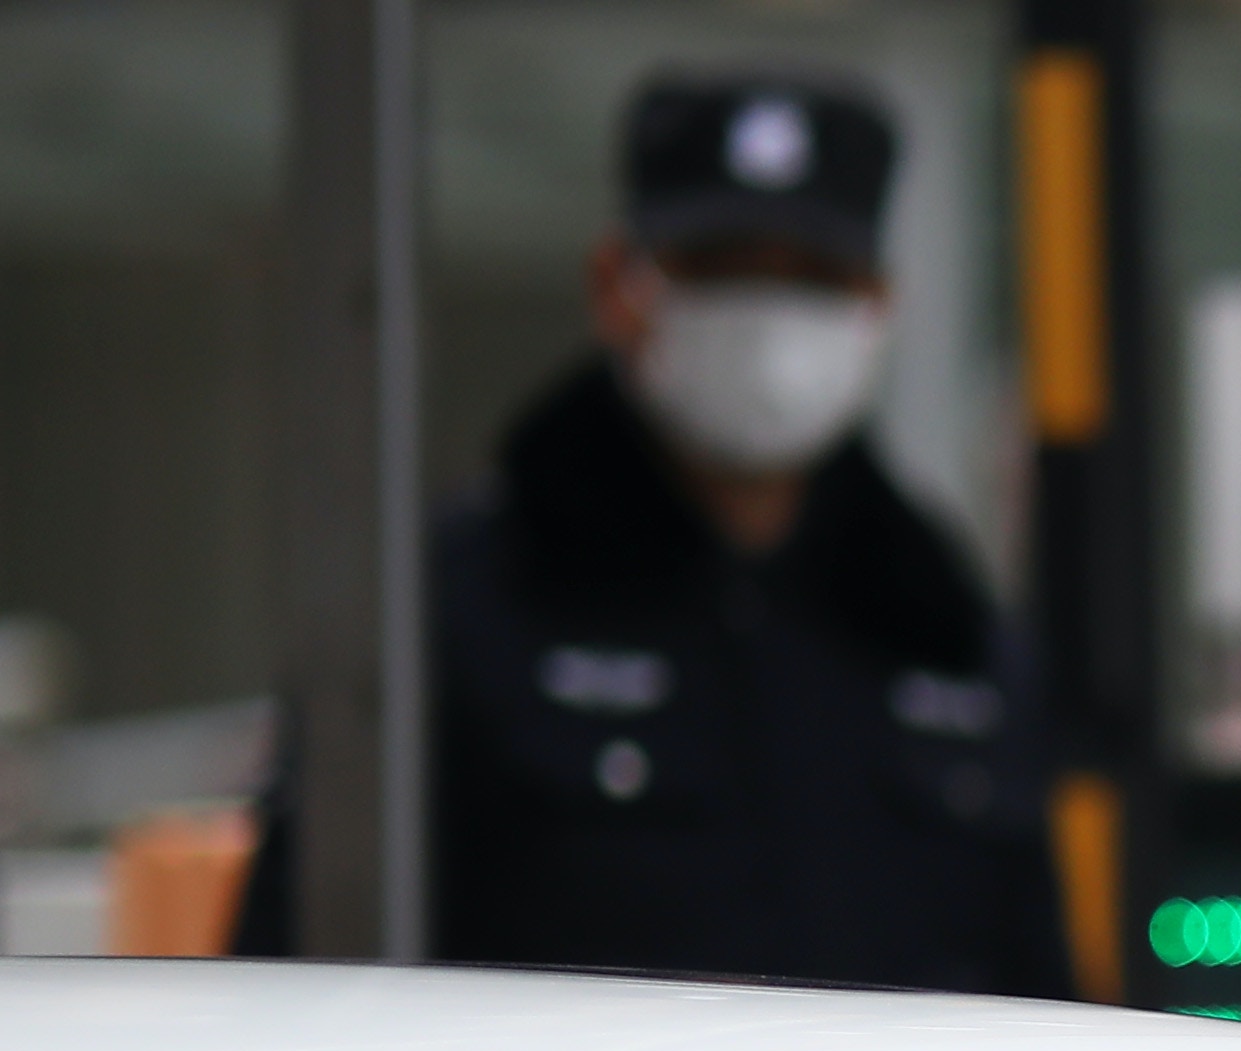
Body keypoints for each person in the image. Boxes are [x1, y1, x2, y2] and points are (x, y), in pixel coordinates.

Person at [239, 68, 1066, 992]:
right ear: (617, 286)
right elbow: (293, 982)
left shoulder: (945, 632)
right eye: (723, 267)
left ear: (879, 303)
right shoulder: (452, 612)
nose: (770, 320)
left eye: (814, 278)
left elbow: (1049, 1004)